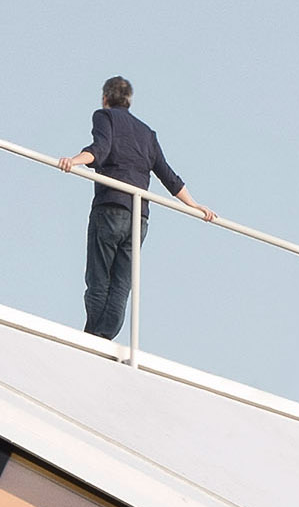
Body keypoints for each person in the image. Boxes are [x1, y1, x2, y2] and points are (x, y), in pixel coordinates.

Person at [58, 77, 215, 340]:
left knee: (99, 279)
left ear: (105, 98)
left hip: (111, 208)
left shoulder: (105, 117)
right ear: (129, 101)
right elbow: (168, 176)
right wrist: (195, 205)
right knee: (121, 285)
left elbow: (100, 149)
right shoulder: (147, 134)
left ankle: (92, 339)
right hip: (138, 217)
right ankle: (103, 338)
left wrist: (73, 161)